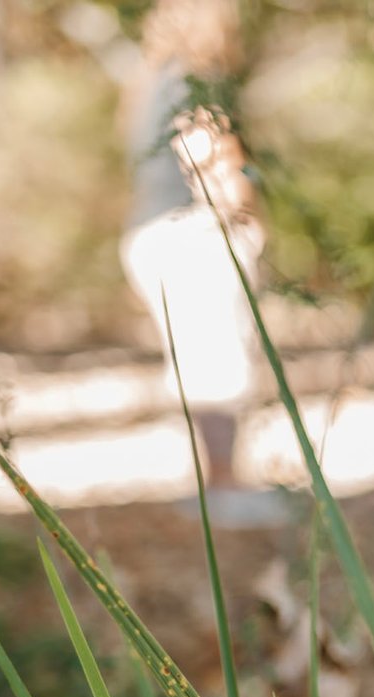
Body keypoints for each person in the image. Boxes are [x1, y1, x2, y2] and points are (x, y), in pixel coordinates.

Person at [119, 0, 263, 490]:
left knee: (200, 365)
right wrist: (241, 208)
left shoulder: (148, 84)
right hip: (192, 236)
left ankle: (217, 484)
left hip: (152, 231)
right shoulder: (192, 83)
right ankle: (225, 487)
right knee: (218, 366)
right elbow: (205, 157)